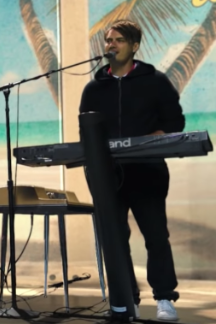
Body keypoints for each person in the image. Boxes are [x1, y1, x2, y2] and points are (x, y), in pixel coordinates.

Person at [79, 20, 184, 321]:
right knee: (115, 239)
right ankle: (127, 300)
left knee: (156, 236)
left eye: (119, 40)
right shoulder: (94, 88)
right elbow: (86, 132)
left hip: (147, 171)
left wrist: (148, 141)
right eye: (108, 40)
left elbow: (175, 122)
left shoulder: (155, 81)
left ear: (134, 46)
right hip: (107, 175)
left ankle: (164, 298)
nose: (111, 45)